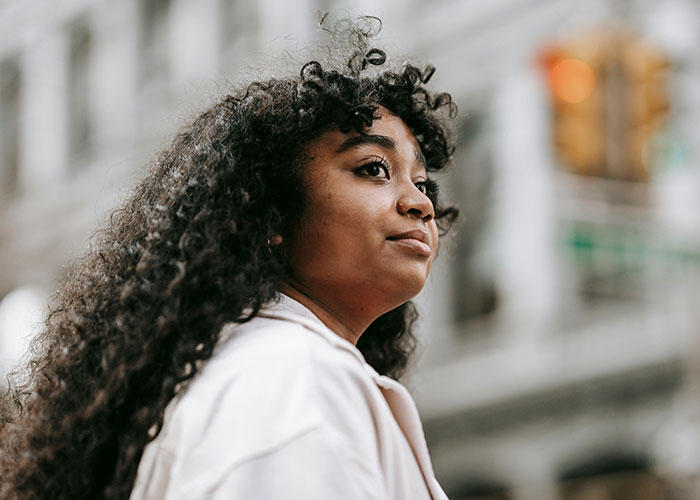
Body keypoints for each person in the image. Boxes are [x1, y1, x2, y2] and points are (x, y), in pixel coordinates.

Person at [0, 17, 458, 500]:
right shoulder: (293, 385)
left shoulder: (266, 376)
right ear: (271, 212)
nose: (420, 203)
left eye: (422, 183)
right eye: (373, 169)